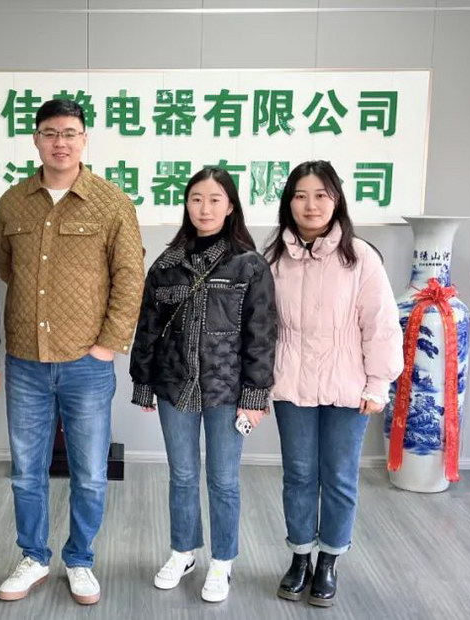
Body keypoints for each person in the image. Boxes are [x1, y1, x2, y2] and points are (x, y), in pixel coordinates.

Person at [0, 98, 145, 606]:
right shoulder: (13, 201)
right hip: (25, 361)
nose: (61, 142)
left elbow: (130, 277)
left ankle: (80, 560)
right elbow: (4, 265)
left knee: (91, 474)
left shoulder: (111, 202)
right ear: (36, 139)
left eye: (70, 133)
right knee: (26, 471)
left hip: (87, 363)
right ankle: (34, 556)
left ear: (84, 139)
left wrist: (107, 345)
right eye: (51, 133)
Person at [130, 167, 277, 603]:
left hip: (227, 391)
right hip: (174, 385)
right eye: (196, 199)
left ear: (230, 207)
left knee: (224, 480)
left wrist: (254, 397)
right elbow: (148, 327)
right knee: (182, 475)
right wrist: (143, 380)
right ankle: (183, 552)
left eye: (215, 200)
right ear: (186, 205)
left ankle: (222, 561)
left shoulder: (249, 265)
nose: (205, 208)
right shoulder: (167, 265)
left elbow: (262, 335)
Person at [264, 160, 402, 607]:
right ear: (289, 202)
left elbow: (380, 324)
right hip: (291, 385)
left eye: (321, 195)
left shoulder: (360, 257)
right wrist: (257, 383)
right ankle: (300, 556)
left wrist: (378, 383)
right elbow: (260, 327)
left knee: (340, 476)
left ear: (336, 200)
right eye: (301, 196)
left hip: (348, 388)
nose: (311, 205)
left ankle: (329, 560)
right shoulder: (273, 259)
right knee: (299, 475)